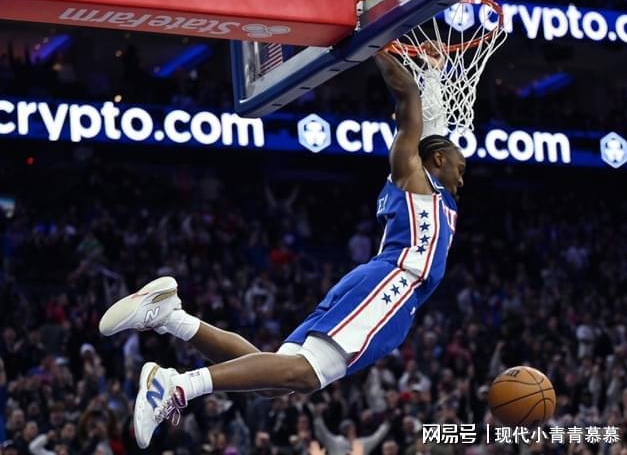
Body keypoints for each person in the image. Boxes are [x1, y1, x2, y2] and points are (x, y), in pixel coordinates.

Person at [98, 51, 466, 449]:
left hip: (380, 285)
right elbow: (408, 98)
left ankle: (170, 316)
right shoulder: (413, 177)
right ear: (439, 159)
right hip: (393, 284)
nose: (463, 179)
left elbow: (432, 122)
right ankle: (176, 385)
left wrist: (433, 76)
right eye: (460, 168)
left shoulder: (437, 191)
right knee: (305, 374)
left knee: (275, 383)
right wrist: (376, 41)